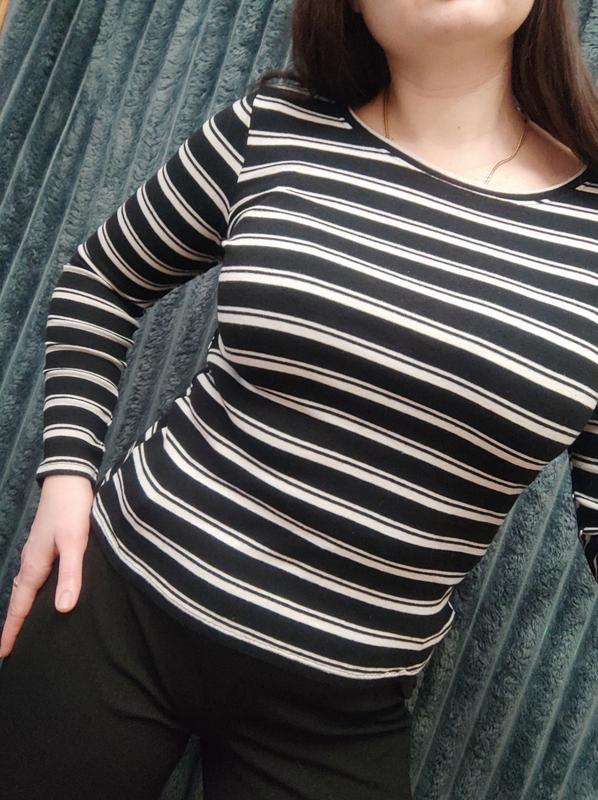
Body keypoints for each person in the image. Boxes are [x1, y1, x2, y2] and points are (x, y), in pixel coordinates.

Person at [1, 0, 598, 797]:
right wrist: (68, 478)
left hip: (340, 712)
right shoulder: (274, 126)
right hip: (117, 606)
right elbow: (98, 283)